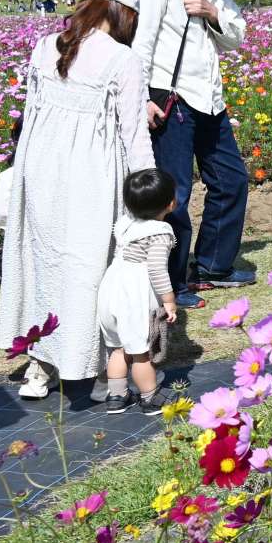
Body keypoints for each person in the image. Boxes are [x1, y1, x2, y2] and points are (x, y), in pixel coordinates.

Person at [0, 0, 155, 399]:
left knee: (41, 261)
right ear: (126, 15)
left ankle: (40, 364)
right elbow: (135, 133)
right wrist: (149, 196)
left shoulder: (48, 44)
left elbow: (30, 116)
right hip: (93, 175)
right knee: (89, 268)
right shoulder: (124, 59)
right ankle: (92, 365)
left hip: (41, 169)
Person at [135, 0, 251, 309]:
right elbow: (141, 37)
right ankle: (170, 281)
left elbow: (236, 36)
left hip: (209, 97)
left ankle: (213, 266)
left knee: (232, 180)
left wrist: (212, 11)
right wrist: (143, 96)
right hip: (172, 96)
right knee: (175, 194)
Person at [98, 167, 179, 415]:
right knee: (140, 352)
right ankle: (150, 397)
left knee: (118, 348)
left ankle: (117, 396)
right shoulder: (159, 233)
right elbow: (156, 270)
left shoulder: (125, 224)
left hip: (110, 290)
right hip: (133, 295)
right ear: (171, 204)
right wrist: (169, 300)